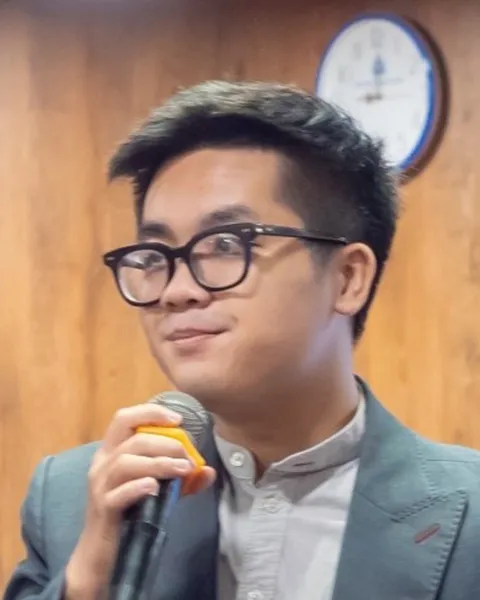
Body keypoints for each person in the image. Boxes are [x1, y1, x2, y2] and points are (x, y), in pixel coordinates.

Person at [5, 81, 480, 600]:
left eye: (226, 245)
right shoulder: (74, 501)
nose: (177, 291)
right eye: (154, 255)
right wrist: (84, 585)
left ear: (347, 279)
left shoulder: (469, 514)